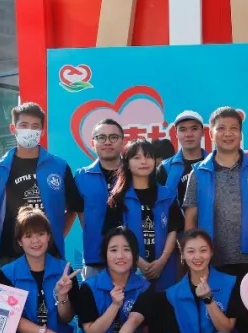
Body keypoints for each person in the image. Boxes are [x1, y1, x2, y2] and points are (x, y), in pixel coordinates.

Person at [184, 107, 248, 280]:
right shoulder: (198, 172)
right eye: (221, 128)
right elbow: (190, 218)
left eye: (234, 128)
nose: (228, 134)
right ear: (211, 134)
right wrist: (192, 254)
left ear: (241, 135)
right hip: (210, 259)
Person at [0, 102, 83, 266]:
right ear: (13, 128)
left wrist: (57, 233)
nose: (29, 130)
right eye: (24, 125)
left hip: (51, 254)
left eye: (35, 126)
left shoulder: (59, 166)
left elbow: (73, 207)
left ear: (42, 131)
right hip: (10, 254)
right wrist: (11, 235)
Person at [106, 139, 180, 293]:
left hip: (166, 268)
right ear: (127, 163)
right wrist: (139, 262)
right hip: (130, 270)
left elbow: (174, 229)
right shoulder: (117, 199)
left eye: (148, 156)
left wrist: (162, 261)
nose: (143, 162)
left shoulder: (168, 195)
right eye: (136, 158)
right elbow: (113, 235)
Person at [74, 119, 125, 279]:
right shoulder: (82, 176)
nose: (107, 142)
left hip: (132, 260)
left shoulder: (134, 174)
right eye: (101, 137)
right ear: (93, 142)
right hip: (95, 260)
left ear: (122, 141)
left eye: (113, 137)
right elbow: (80, 216)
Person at [156, 110, 208, 232]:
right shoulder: (165, 168)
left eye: (194, 129)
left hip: (211, 239)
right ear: (176, 133)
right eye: (183, 129)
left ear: (203, 132)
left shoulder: (214, 164)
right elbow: (159, 208)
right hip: (174, 240)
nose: (188, 134)